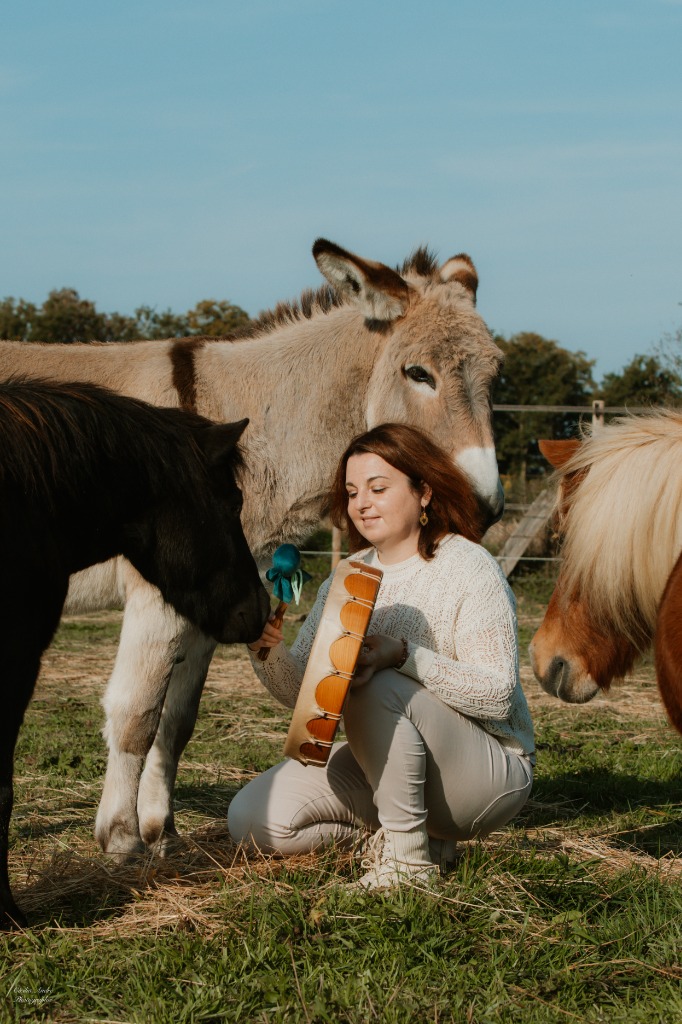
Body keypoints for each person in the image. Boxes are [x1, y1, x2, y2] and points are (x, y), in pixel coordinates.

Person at [228, 423, 535, 890]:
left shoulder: (469, 566)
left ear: (423, 492)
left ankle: (408, 865)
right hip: (394, 759)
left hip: (485, 774)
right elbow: (305, 696)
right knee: (253, 819)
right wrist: (267, 649)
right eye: (352, 492)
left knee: (373, 682)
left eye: (378, 488)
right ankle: (404, 838)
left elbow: (496, 695)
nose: (361, 504)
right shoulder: (347, 575)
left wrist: (403, 656)